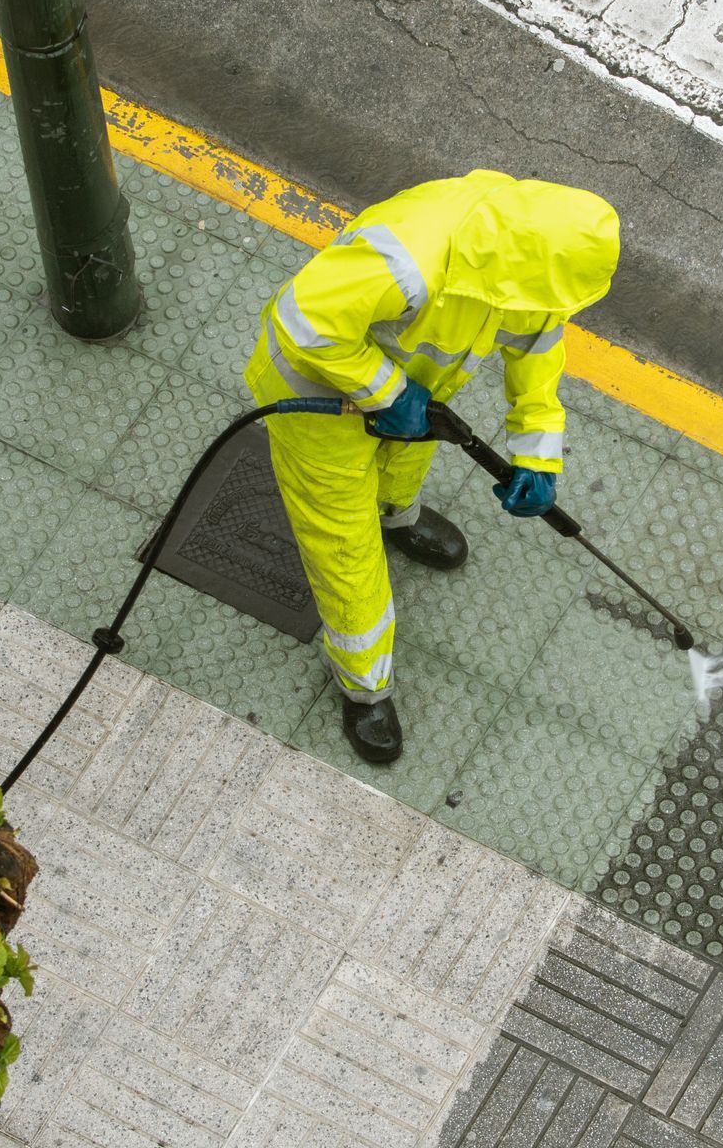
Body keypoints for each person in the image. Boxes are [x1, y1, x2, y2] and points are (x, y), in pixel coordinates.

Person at [243, 170, 621, 764]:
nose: (550, 315)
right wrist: (388, 391)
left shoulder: (529, 264)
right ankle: (365, 687)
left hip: (415, 397)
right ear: (518, 266)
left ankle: (398, 518)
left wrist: (537, 456)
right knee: (343, 547)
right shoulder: (409, 258)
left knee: (406, 464)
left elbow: (538, 353)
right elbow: (303, 323)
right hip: (315, 398)